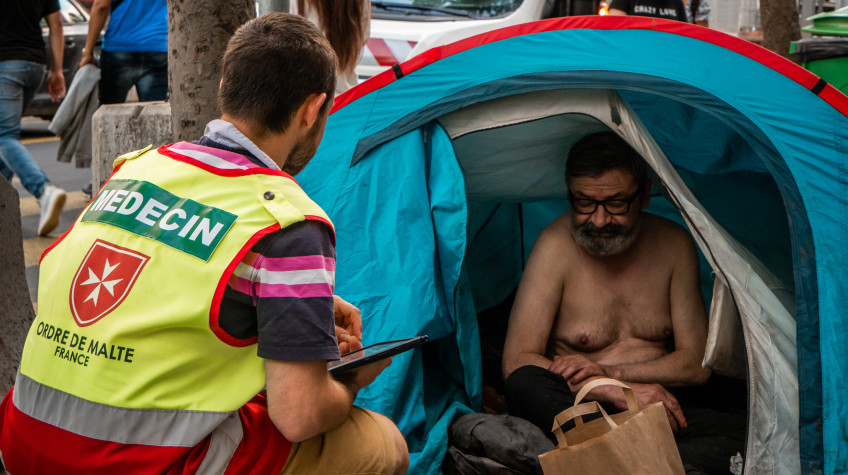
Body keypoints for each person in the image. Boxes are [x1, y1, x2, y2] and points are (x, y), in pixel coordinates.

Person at [0, 13, 409, 474]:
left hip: (23, 438)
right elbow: (299, 415)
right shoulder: (288, 220)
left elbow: (152, 275)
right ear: (313, 110)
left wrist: (298, 309)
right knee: (385, 443)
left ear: (224, 89)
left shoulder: (135, 168)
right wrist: (350, 383)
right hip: (138, 462)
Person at [502, 131, 744, 473]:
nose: (599, 220)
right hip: (585, 409)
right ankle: (643, 461)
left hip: (661, 408)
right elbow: (517, 362)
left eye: (616, 203)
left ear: (644, 195)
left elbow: (696, 365)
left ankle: (620, 462)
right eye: (584, 202)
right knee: (525, 382)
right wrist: (609, 388)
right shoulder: (554, 246)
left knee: (748, 430)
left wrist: (614, 374)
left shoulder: (673, 244)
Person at [0, 0, 67, 236]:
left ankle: (43, 190)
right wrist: (57, 71)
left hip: (5, 64)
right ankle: (4, 206)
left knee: (4, 137)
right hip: (34, 65)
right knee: (6, 140)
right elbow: (56, 25)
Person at [79, 0, 168, 105]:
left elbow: (101, 6)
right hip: (157, 45)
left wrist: (88, 52)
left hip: (119, 47)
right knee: (155, 110)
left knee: (109, 110)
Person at [294, 0, 370, 95]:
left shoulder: (296, 4)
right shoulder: (359, 3)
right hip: (344, 95)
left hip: (305, 95)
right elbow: (363, 37)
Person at [609, 0, 688, 22]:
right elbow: (614, 27)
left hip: (665, 52)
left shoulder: (676, 2)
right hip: (633, 51)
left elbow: (684, 33)